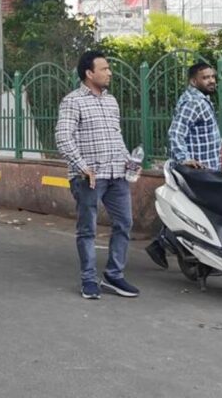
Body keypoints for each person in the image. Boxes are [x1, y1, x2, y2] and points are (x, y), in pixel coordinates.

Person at [55, 51, 139, 300]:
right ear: (89, 73)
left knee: (124, 223)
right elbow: (63, 138)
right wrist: (83, 167)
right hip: (89, 178)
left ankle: (114, 275)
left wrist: (129, 161)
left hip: (116, 174)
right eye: (104, 69)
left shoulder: (111, 101)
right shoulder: (73, 101)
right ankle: (89, 280)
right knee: (87, 230)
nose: (109, 73)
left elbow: (115, 136)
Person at [167, 62, 222, 171]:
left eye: (213, 77)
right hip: (199, 172)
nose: (212, 81)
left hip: (208, 170)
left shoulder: (201, 98)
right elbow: (175, 133)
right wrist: (185, 159)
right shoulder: (193, 102)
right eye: (205, 78)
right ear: (193, 81)